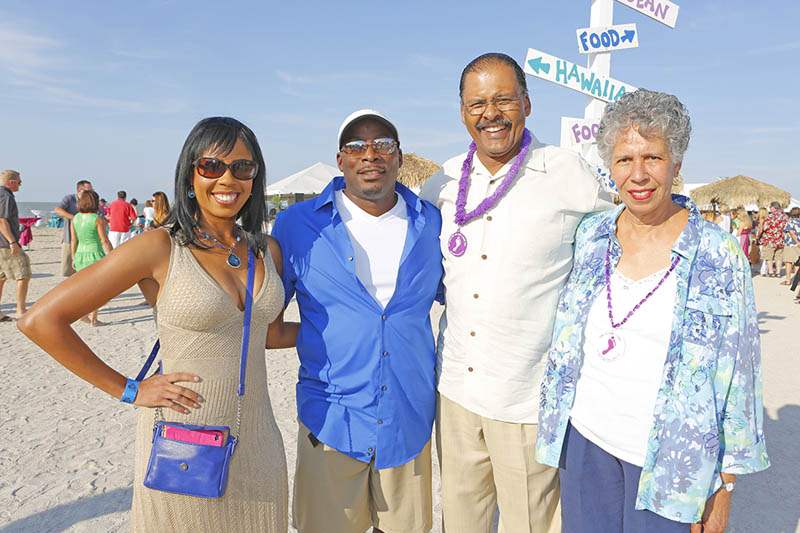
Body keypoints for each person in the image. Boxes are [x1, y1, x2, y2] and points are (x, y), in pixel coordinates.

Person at [18, 116, 297, 532]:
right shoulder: (160, 246)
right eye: (212, 166)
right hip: (182, 443)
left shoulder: (266, 250)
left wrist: (355, 330)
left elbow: (269, 335)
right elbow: (40, 321)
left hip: (257, 440)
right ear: (190, 175)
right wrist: (129, 389)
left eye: (242, 167)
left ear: (254, 178)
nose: (228, 178)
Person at [536, 89, 769, 533]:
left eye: (653, 158)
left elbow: (741, 376)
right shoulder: (592, 235)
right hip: (585, 443)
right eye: (624, 159)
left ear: (676, 165)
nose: (638, 174)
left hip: (672, 461)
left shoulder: (718, 254)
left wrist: (724, 487)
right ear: (610, 166)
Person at [419, 53, 612, 533]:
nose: (491, 114)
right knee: (461, 521)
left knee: (530, 523)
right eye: (477, 103)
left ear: (527, 103)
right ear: (462, 112)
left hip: (526, 396)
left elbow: (623, 240)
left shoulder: (568, 174)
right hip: (456, 390)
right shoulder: (442, 183)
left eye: (504, 99)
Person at [271, 109, 443, 533]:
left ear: (399, 157)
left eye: (383, 144)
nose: (370, 155)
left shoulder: (431, 222)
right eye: (356, 146)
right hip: (331, 421)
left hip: (408, 418)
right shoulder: (298, 225)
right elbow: (266, 320)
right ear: (340, 159)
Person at [70, 189, 112, 326]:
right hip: (94, 253)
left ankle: (83, 313)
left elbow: (73, 240)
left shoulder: (75, 218)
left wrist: (73, 257)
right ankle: (93, 318)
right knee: (97, 289)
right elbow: (104, 240)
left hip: (80, 254)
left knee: (84, 287)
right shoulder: (96, 219)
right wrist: (112, 255)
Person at [0, 170, 31, 321]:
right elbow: (2, 221)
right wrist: (12, 242)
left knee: (1, 277)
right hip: (6, 244)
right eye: (19, 182)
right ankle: (21, 310)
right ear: (11, 182)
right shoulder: (6, 196)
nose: (20, 184)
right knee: (23, 274)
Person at [54, 179, 94, 276]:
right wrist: (75, 218)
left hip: (86, 240)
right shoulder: (69, 199)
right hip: (69, 238)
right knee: (68, 270)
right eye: (89, 190)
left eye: (92, 190)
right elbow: (58, 210)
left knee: (85, 270)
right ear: (80, 190)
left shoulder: (91, 201)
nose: (91, 192)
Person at [759, 201, 788, 277]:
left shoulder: (770, 217)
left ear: (773, 208)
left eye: (770, 207)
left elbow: (765, 228)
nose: (769, 209)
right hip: (780, 239)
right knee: (779, 257)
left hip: (770, 239)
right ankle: (778, 273)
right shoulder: (785, 217)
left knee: (769, 257)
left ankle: (771, 272)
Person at [783, 207, 800, 286]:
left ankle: (788, 280)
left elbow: (791, 233)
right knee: (797, 263)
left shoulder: (790, 222)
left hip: (790, 244)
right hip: (798, 245)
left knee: (788, 262)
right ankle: (796, 281)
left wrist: (797, 242)